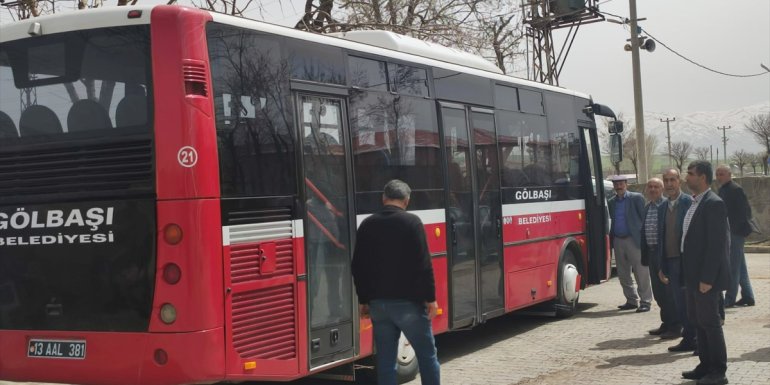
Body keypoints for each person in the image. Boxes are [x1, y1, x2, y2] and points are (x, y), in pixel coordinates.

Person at [352, 180, 440, 385]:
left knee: (385, 361)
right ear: (407, 200)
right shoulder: (412, 222)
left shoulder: (367, 224)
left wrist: (364, 300)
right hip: (408, 304)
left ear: (384, 198)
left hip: (379, 305)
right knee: (427, 356)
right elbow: (424, 265)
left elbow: (358, 266)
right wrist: (431, 298)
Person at [680, 161, 730, 385]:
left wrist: (707, 279)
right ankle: (705, 365)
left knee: (710, 323)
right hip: (692, 277)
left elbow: (716, 245)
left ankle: (718, 371)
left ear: (702, 178)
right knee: (698, 322)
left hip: (705, 279)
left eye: (690, 174)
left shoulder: (713, 203)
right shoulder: (695, 202)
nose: (686, 177)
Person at [657, 168, 696, 352]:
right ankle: (688, 338)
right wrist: (661, 265)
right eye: (666, 180)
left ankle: (694, 339)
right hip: (670, 262)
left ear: (679, 182)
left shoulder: (689, 202)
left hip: (685, 261)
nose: (669, 184)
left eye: (673, 180)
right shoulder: (662, 207)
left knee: (689, 303)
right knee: (678, 303)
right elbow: (661, 237)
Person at [607, 175, 651, 312]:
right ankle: (631, 300)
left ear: (626, 184)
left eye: (621, 183)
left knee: (641, 272)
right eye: (616, 184)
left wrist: (644, 239)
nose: (619, 186)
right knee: (623, 273)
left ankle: (645, 301)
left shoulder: (636, 198)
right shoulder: (611, 202)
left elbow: (644, 218)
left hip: (634, 240)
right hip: (619, 240)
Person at [716, 165, 756, 307]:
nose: (719, 176)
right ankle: (748, 296)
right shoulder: (722, 190)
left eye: (722, 174)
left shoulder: (735, 189)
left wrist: (737, 231)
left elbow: (744, 212)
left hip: (735, 233)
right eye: (718, 174)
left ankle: (730, 299)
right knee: (740, 266)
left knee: (733, 266)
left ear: (729, 175)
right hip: (729, 232)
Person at [640, 178, 676, 334]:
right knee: (658, 292)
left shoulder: (667, 206)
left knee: (669, 292)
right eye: (650, 187)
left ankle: (675, 325)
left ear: (662, 189)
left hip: (664, 254)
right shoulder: (647, 207)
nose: (653, 189)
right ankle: (666, 322)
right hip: (652, 253)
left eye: (656, 187)